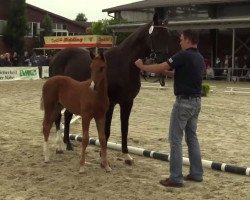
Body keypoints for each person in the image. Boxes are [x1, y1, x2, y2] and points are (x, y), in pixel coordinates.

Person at [135, 29, 204, 188]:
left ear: (187, 39)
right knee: (192, 138)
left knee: (175, 139)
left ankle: (176, 177)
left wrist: (143, 66)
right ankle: (196, 173)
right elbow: (181, 73)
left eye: (181, 39)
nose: (179, 42)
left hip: (183, 103)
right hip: (196, 102)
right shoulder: (199, 58)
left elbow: (160, 66)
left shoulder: (182, 55)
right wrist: (167, 73)